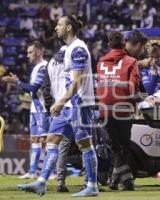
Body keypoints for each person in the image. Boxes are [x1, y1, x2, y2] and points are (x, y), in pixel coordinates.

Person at [17, 15, 98, 197]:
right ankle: (41, 182)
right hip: (68, 104)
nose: (56, 28)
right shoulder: (69, 49)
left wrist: (59, 101)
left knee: (85, 145)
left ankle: (92, 186)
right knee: (51, 141)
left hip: (80, 105)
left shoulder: (78, 49)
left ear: (69, 28)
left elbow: (77, 82)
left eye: (59, 24)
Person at [96, 31, 140, 191]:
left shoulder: (101, 62)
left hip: (104, 111)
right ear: (124, 44)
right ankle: (125, 180)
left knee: (116, 147)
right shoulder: (131, 61)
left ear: (109, 44)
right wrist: (137, 103)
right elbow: (132, 86)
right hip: (122, 110)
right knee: (124, 146)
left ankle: (118, 180)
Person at [2, 41, 49, 180]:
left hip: (43, 109)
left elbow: (34, 88)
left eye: (30, 52)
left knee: (45, 141)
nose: (27, 55)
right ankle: (32, 171)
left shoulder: (43, 67)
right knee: (34, 140)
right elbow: (31, 89)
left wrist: (17, 82)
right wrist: (16, 83)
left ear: (39, 51)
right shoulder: (35, 68)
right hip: (34, 109)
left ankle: (50, 172)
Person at [41, 45, 71, 193]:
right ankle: (89, 182)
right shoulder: (75, 58)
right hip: (72, 107)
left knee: (56, 147)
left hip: (57, 109)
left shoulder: (51, 62)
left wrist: (49, 108)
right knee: (86, 144)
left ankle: (59, 181)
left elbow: (45, 88)